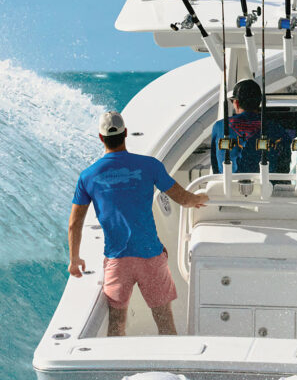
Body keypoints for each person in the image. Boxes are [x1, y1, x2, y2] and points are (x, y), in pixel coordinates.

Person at [68, 111, 208, 337]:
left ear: (101, 138)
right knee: (165, 323)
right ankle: (171, 367)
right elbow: (184, 199)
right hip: (150, 256)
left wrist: (75, 260)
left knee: (116, 326)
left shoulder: (88, 176)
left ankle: (115, 369)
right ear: (125, 134)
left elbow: (75, 223)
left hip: (117, 260)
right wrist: (204, 198)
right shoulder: (149, 166)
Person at [209, 78, 290, 173]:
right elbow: (286, 161)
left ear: (237, 103)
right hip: (266, 185)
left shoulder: (220, 127)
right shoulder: (276, 128)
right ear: (259, 102)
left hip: (228, 185)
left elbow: (215, 166)